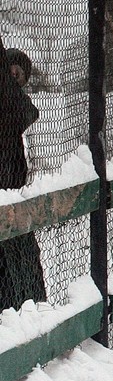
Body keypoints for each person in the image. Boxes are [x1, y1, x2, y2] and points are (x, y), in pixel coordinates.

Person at [0, 46, 45, 310]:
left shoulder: (15, 107)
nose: (16, 80)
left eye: (21, 78)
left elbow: (28, 112)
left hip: (12, 192)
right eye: (13, 73)